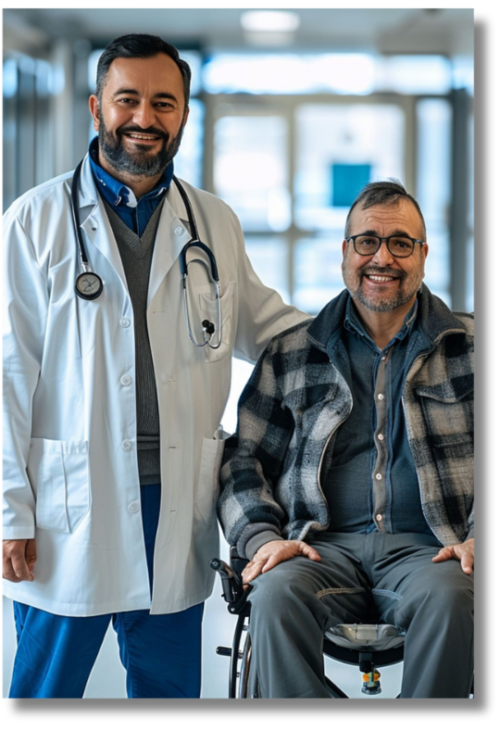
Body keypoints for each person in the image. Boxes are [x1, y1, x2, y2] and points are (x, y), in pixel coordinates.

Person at [0, 34, 309, 699]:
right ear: (96, 107)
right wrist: (8, 510)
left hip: (174, 500)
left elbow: (270, 326)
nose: (144, 117)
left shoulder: (212, 223)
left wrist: (377, 332)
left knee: (169, 687)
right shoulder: (34, 222)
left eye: (163, 102)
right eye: (128, 99)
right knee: (45, 688)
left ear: (184, 114)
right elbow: (5, 378)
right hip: (68, 504)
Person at [219, 180, 474, 699]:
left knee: (454, 598)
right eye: (367, 241)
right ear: (344, 251)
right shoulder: (292, 353)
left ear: (424, 255)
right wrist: (264, 540)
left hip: (432, 553)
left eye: (401, 243)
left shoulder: (467, 349)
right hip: (317, 549)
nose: (383, 257)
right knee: (274, 595)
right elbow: (242, 462)